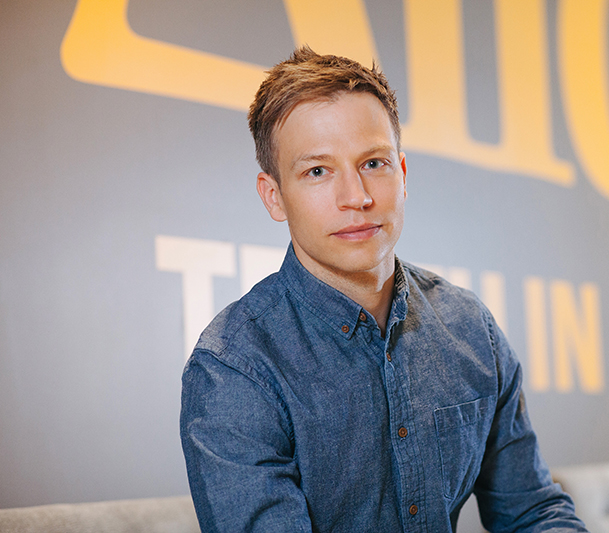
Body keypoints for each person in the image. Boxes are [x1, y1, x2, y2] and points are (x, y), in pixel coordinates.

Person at [180, 46, 588, 533]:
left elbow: (533, 512)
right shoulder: (234, 367)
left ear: (403, 174)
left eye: (374, 163)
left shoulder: (469, 327)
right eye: (317, 171)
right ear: (274, 197)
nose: (357, 197)